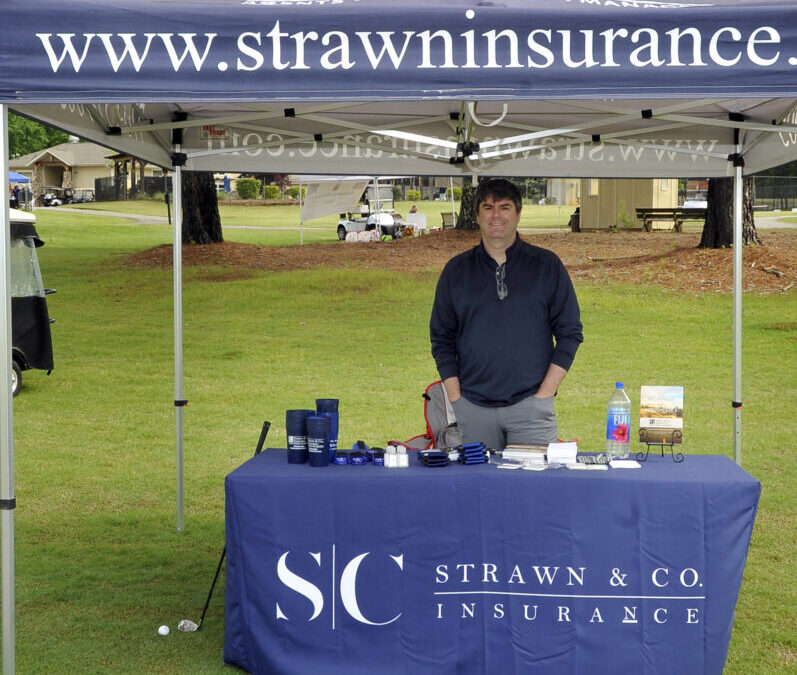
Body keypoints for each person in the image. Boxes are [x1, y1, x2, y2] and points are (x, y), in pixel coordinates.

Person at [429, 178, 583, 449]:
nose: (496, 215)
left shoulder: (546, 266)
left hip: (531, 410)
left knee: (534, 478)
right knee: (477, 479)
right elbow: (441, 338)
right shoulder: (456, 271)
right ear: (477, 216)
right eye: (488, 208)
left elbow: (570, 333)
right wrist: (456, 399)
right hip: (472, 409)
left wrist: (544, 395)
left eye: (505, 207)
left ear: (518, 214)